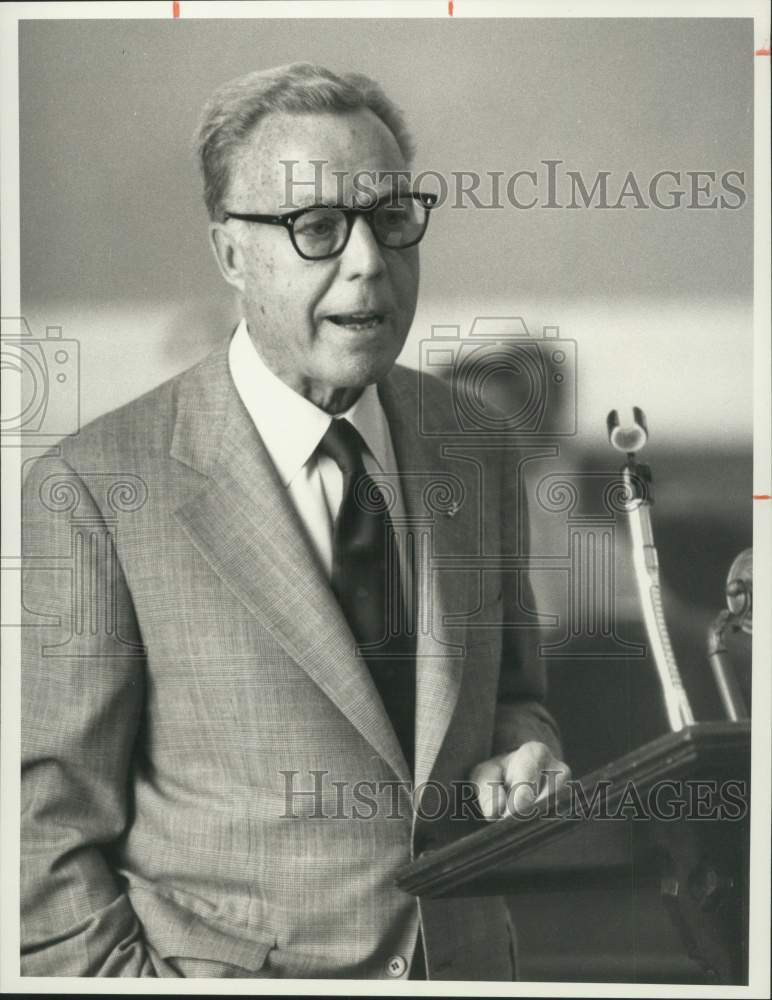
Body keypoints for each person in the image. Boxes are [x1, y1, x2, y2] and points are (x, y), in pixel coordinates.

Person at [20, 62, 569, 980]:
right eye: (317, 227)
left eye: (392, 219)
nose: (367, 261)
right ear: (231, 254)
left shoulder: (476, 445)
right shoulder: (95, 489)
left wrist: (527, 750)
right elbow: (43, 839)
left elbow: (516, 697)